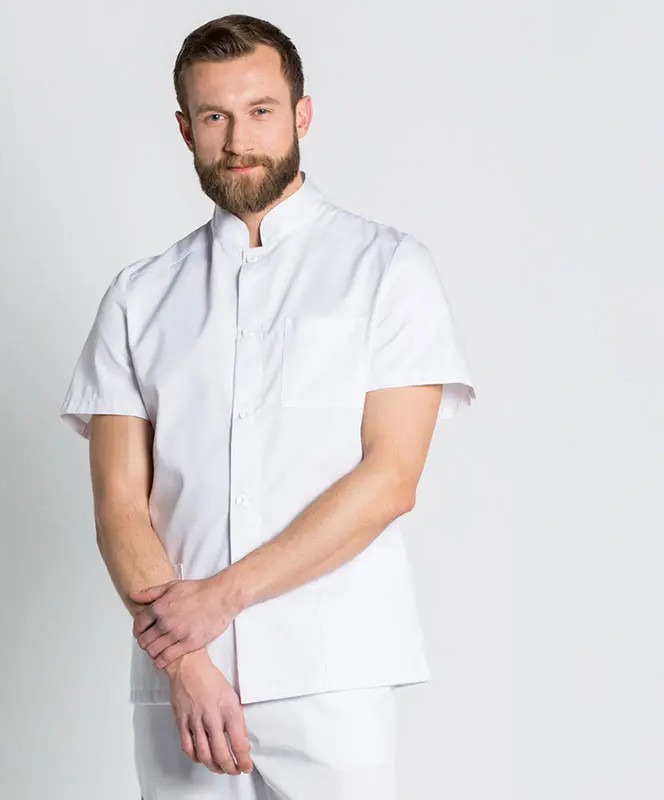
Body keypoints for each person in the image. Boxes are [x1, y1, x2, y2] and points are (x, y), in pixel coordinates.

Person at [59, 12, 477, 799]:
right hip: (182, 684)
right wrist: (186, 661)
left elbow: (391, 479)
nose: (238, 139)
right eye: (215, 116)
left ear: (301, 115)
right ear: (185, 129)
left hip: (334, 670)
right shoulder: (139, 296)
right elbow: (119, 505)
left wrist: (218, 600)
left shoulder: (388, 270)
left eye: (260, 111)